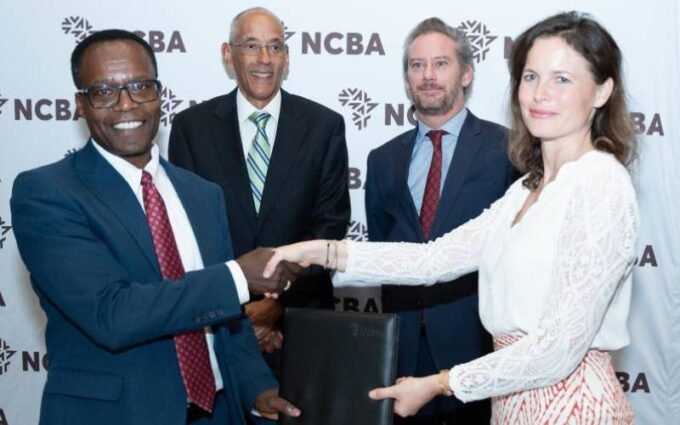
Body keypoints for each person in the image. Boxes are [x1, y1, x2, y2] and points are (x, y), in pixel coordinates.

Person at [264, 11, 638, 424]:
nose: (539, 93)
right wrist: (320, 251)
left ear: (602, 91)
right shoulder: (525, 190)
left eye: (561, 79)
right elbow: (432, 260)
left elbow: (558, 350)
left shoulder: (599, 183)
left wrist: (440, 383)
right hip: (512, 407)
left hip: (574, 409)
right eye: (530, 77)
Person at [10, 30, 301, 425]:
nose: (126, 104)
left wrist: (257, 388)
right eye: (104, 92)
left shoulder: (202, 194)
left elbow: (226, 320)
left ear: (159, 94)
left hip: (217, 414)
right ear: (81, 104)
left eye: (140, 86)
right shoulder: (47, 193)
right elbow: (112, 314)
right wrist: (236, 276)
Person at [168, 7, 350, 375]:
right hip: (217, 325)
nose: (264, 58)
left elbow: (329, 226)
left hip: (300, 326)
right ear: (228, 54)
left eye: (275, 47)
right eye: (251, 46)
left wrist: (275, 305)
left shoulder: (324, 126)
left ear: (286, 57)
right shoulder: (191, 128)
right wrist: (238, 308)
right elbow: (186, 234)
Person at [365, 17, 517, 424]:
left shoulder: (508, 150)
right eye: (417, 65)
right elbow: (380, 252)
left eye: (440, 64)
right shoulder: (382, 161)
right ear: (406, 79)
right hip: (402, 355)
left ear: (466, 73)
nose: (428, 75)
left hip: (479, 353)